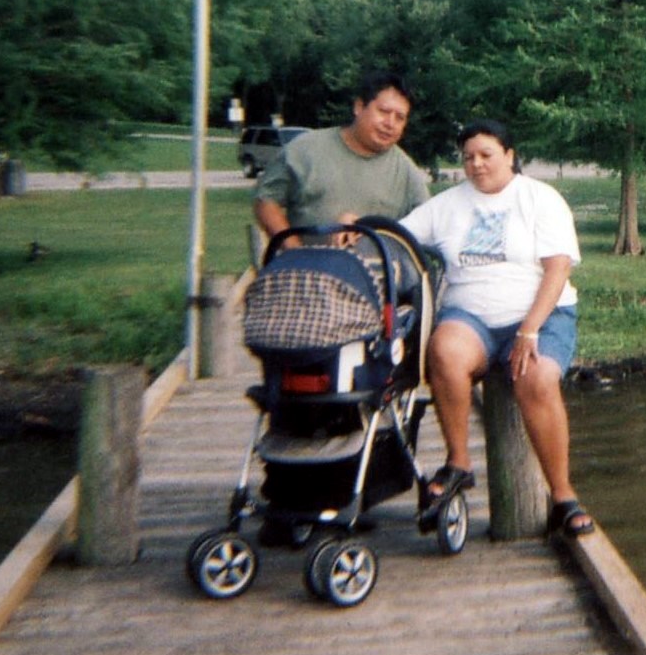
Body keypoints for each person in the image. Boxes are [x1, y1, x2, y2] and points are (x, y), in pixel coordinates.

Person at [398, 118, 594, 537]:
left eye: (486, 154)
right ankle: (458, 463)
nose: (476, 164)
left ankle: (562, 496)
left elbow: (557, 269)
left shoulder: (541, 198)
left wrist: (528, 330)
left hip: (541, 315)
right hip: (471, 318)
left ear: (509, 155)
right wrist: (356, 229)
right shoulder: (448, 204)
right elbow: (398, 237)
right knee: (444, 351)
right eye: (468, 157)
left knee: (537, 378)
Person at [253, 70, 431, 248]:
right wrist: (294, 250)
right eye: (384, 111)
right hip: (305, 268)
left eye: (400, 118)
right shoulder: (305, 149)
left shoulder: (406, 171)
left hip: (375, 270)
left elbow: (429, 225)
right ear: (359, 107)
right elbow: (266, 201)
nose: (390, 124)